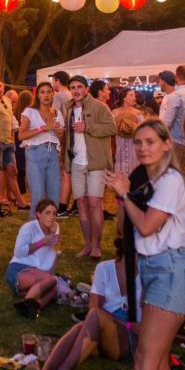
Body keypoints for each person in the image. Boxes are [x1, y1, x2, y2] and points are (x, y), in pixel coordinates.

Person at [106, 120, 185, 370]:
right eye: (138, 142)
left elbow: (147, 226)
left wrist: (124, 196)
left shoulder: (171, 181)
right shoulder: (153, 181)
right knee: (156, 366)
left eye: (150, 142)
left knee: (145, 364)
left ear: (166, 145)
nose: (142, 148)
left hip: (171, 273)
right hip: (156, 271)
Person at [34, 240, 141, 370]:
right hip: (100, 329)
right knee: (81, 326)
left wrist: (122, 323)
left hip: (127, 336)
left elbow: (142, 324)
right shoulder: (105, 268)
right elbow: (94, 308)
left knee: (90, 320)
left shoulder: (147, 275)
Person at [66, 75, 116, 259]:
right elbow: (67, 138)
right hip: (77, 162)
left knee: (94, 203)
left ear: (86, 89)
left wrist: (88, 127)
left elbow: (112, 128)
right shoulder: (67, 108)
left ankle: (97, 245)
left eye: (80, 87)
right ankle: (87, 245)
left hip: (95, 162)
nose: (76, 90)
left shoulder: (99, 106)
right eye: (73, 87)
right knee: (81, 204)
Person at [6, 198, 60, 318]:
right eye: (47, 213)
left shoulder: (55, 228)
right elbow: (19, 252)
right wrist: (41, 242)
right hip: (19, 269)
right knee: (51, 280)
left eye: (54, 213)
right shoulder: (28, 228)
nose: (51, 217)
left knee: (54, 289)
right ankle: (27, 303)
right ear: (38, 214)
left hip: (37, 273)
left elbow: (51, 254)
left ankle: (32, 309)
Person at [18, 82, 65, 218]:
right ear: (37, 95)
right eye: (42, 92)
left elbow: (60, 136)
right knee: (38, 195)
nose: (46, 95)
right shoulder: (30, 111)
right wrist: (43, 128)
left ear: (53, 94)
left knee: (54, 194)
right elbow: (21, 135)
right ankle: (35, 230)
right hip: (35, 151)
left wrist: (60, 132)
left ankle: (49, 229)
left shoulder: (56, 112)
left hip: (53, 153)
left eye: (49, 92)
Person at [0, 78, 25, 208]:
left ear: (3, 86)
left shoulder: (8, 100)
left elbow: (9, 121)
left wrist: (12, 137)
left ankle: (20, 202)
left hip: (9, 141)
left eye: (0, 86)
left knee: (13, 171)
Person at [158, 69, 185, 167]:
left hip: (176, 141)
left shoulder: (175, 96)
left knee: (175, 174)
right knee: (184, 173)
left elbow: (167, 123)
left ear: (176, 77)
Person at [50, 71, 75, 218]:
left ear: (56, 80)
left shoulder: (59, 96)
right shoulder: (72, 94)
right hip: (73, 135)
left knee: (65, 172)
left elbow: (55, 116)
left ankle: (62, 204)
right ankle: (73, 204)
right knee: (70, 171)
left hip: (64, 135)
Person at [113, 89, 144, 177]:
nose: (134, 98)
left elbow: (145, 132)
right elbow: (109, 130)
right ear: (124, 98)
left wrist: (136, 127)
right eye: (131, 95)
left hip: (134, 147)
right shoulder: (115, 113)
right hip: (120, 147)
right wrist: (118, 128)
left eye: (134, 95)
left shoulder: (138, 113)